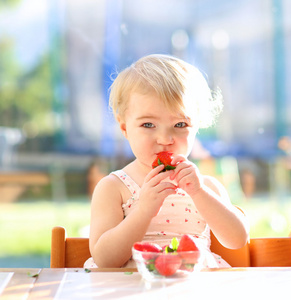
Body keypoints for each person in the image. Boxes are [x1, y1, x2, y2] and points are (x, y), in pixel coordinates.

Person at [86, 54, 249, 268]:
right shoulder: (113, 188)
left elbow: (238, 240)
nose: (165, 139)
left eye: (180, 125)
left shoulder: (206, 186)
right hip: (131, 289)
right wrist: (144, 210)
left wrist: (199, 193)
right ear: (125, 127)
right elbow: (106, 260)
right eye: (148, 125)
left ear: (196, 126)